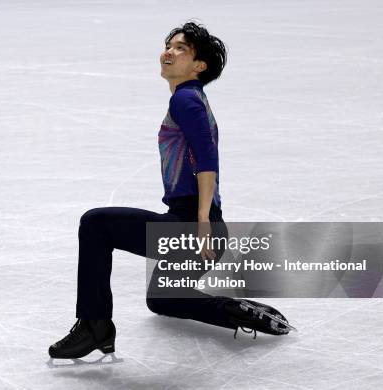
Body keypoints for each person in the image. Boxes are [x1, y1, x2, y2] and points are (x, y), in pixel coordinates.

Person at [48, 21, 291, 360]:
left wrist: (202, 221)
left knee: (95, 224)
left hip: (193, 227)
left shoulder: (186, 100)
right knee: (163, 298)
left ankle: (94, 326)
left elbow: (208, 161)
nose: (169, 52)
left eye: (182, 49)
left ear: (199, 66)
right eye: (169, 45)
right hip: (198, 227)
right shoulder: (192, 98)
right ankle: (233, 310)